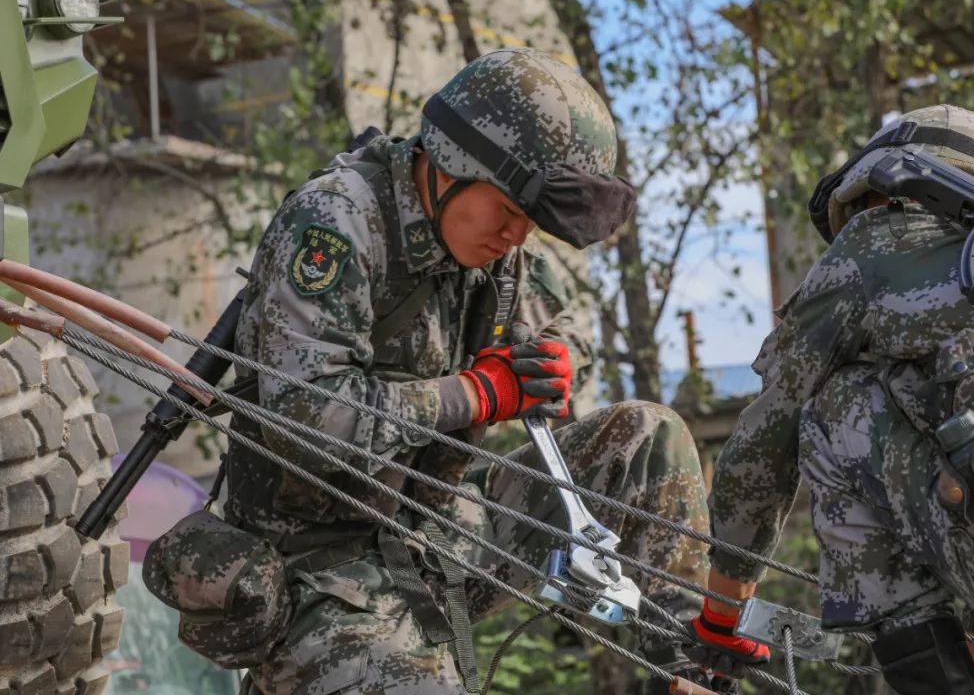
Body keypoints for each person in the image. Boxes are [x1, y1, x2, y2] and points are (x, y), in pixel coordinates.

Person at [197, 48, 710, 694]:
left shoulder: (491, 246)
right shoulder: (336, 223)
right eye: (511, 213)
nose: (518, 237)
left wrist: (559, 358)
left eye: (533, 223)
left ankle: (690, 671)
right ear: (453, 166)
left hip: (442, 530)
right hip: (320, 567)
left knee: (647, 435)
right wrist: (475, 393)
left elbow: (568, 328)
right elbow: (307, 420)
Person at [694, 104, 974, 694]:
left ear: (870, 192)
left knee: (835, 410)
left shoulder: (878, 238)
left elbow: (762, 446)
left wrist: (721, 617)